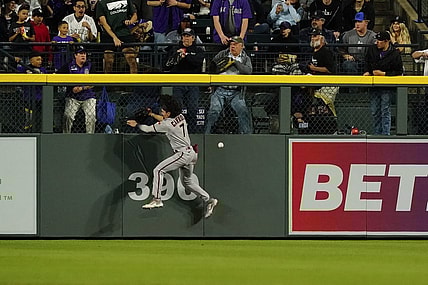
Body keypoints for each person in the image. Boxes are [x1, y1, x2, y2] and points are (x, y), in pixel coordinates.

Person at [126, 95, 219, 218]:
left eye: (163, 110)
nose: (161, 112)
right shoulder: (180, 117)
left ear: (169, 112)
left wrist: (137, 124)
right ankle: (209, 199)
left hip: (182, 154)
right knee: (187, 182)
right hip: (191, 153)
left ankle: (157, 199)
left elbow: (148, 129)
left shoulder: (167, 124)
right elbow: (164, 120)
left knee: (158, 170)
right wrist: (152, 115)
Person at [205, 36, 253, 134]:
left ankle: (247, 136)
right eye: (231, 44)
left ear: (241, 46)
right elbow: (212, 67)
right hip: (220, 90)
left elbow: (248, 71)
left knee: (242, 111)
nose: (232, 46)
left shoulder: (245, 58)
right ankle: (207, 134)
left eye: (235, 44)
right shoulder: (222, 54)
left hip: (236, 92)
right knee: (214, 111)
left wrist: (235, 63)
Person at [164, 28, 205, 133]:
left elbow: (197, 62)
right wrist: (177, 56)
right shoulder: (175, 49)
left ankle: (192, 131)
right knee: (177, 109)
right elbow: (168, 65)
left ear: (193, 38)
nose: (186, 38)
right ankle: (177, 131)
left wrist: (185, 56)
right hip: (178, 82)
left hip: (193, 83)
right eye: (184, 36)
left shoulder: (198, 50)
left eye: (188, 36)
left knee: (193, 109)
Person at [363, 31, 403, 135]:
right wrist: (367, 71)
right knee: (375, 111)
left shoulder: (395, 53)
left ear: (387, 41)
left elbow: (399, 71)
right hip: (374, 85)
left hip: (387, 86)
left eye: (379, 41)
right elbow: (366, 61)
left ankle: (386, 135)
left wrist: (384, 73)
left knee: (385, 110)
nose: (377, 42)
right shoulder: (372, 49)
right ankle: (377, 134)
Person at [57, 46, 97, 133]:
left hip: (88, 96)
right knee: (68, 116)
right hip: (72, 97)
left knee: (91, 116)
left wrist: (82, 88)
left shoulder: (90, 66)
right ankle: (66, 136)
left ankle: (90, 137)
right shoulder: (68, 66)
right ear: (75, 55)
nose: (83, 56)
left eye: (84, 54)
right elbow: (57, 76)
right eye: (81, 53)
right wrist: (71, 87)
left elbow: (95, 83)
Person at [96, 0, 139, 73]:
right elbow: (104, 23)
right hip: (108, 36)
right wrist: (114, 38)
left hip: (125, 34)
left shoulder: (126, 0)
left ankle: (134, 83)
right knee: (108, 60)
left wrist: (130, 21)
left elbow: (134, 15)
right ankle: (108, 83)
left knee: (132, 60)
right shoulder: (101, 3)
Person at [17, 51, 48, 131]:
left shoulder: (43, 70)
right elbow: (14, 70)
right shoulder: (24, 68)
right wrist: (15, 61)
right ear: (31, 60)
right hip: (28, 98)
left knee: (39, 118)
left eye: (41, 60)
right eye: (38, 60)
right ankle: (27, 130)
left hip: (40, 99)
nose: (40, 61)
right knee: (28, 118)